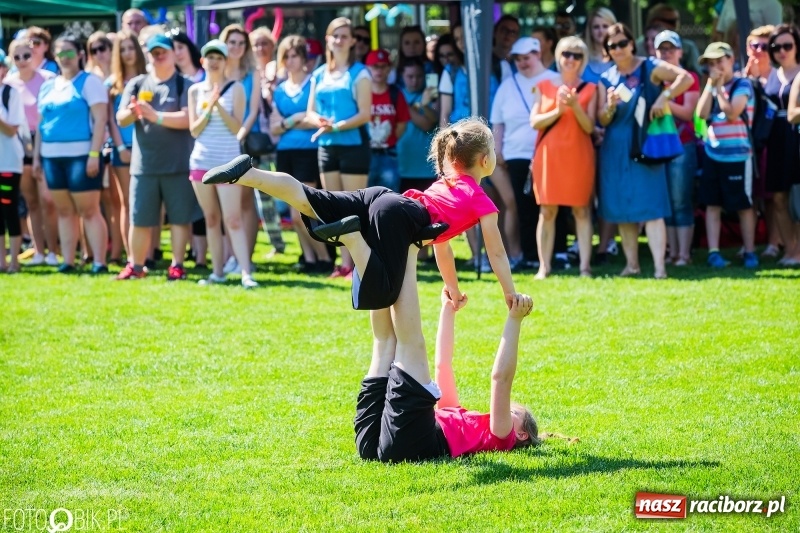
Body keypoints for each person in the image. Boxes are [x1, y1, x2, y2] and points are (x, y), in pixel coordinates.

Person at [203, 117, 517, 313]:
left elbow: (442, 248)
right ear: (485, 160)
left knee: (312, 199)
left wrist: (454, 289)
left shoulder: (444, 185)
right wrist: (510, 293)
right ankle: (351, 236)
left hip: (383, 197)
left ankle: (250, 174)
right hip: (398, 215)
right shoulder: (480, 200)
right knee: (383, 293)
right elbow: (497, 253)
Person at [355, 283, 538, 462]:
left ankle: (396, 272)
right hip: (382, 442)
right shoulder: (457, 416)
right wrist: (448, 310)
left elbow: (501, 380)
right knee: (385, 341)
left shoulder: (501, 437)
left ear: (521, 435)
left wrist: (515, 320)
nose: (502, 410)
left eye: (513, 412)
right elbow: (443, 365)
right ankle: (382, 275)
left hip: (413, 441)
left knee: (397, 344)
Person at [597, 23, 693, 278]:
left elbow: (686, 78)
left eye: (622, 43)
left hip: (644, 144)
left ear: (632, 44)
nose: (618, 49)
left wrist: (664, 96)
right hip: (615, 148)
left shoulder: (650, 66)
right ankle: (632, 265)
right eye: (612, 46)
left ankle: (660, 268)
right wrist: (609, 106)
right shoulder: (606, 78)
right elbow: (602, 119)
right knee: (622, 209)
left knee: (652, 206)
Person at [115, 34, 197, 281]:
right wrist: (133, 112)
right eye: (154, 52)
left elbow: (188, 119)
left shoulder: (184, 84)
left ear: (173, 53)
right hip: (144, 166)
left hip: (177, 164)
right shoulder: (137, 84)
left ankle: (177, 265)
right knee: (139, 218)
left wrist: (155, 116)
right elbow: (121, 119)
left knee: (179, 219)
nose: (159, 56)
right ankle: (136, 266)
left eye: (163, 51)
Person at [33, 35, 109, 274]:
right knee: (64, 211)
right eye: (60, 53)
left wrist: (94, 154)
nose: (65, 58)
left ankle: (99, 262)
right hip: (51, 158)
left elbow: (100, 120)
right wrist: (37, 157)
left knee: (89, 210)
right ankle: (68, 261)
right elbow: (41, 125)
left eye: (69, 52)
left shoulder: (90, 82)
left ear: (80, 55)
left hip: (82, 156)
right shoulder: (48, 86)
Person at [188, 40, 257, 289]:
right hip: (201, 162)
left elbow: (237, 128)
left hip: (228, 163)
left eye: (219, 57)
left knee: (234, 219)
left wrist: (217, 104)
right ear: (202, 61)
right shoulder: (195, 91)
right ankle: (217, 272)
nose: (214, 61)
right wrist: (209, 108)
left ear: (226, 61)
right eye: (210, 57)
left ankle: (246, 273)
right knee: (211, 219)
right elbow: (194, 130)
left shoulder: (236, 88)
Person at [307, 17, 372, 279]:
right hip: (326, 146)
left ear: (353, 41)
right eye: (335, 35)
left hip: (354, 146)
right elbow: (310, 112)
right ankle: (345, 265)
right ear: (328, 39)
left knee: (354, 208)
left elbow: (365, 114)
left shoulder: (360, 73)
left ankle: (359, 264)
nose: (340, 40)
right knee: (334, 208)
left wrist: (336, 126)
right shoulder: (318, 74)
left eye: (345, 36)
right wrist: (320, 122)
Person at [530, 36, 597, 278]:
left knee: (582, 210)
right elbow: (534, 121)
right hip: (549, 156)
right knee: (547, 211)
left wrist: (575, 106)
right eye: (566, 53)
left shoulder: (591, 88)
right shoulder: (543, 85)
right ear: (558, 56)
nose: (571, 59)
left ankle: (585, 267)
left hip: (579, 155)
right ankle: (544, 267)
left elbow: (590, 127)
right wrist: (558, 110)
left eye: (577, 55)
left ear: (583, 60)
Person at [491, 37, 559, 272]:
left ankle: (556, 253)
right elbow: (497, 122)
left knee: (551, 206)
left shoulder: (555, 80)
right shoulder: (507, 85)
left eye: (526, 58)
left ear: (538, 54)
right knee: (524, 207)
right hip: (516, 154)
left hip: (549, 152)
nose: (522, 63)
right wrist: (498, 150)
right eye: (518, 59)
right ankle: (530, 255)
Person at [269, 35, 331, 274]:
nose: (290, 60)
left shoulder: (313, 82)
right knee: (293, 213)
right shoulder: (279, 90)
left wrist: (289, 122)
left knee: (303, 211)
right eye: (286, 56)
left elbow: (314, 119)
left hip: (308, 152)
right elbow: (274, 127)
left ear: (304, 58)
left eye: (295, 55)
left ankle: (325, 258)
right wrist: (296, 119)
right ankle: (309, 259)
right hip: (285, 153)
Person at [696, 42, 759, 269]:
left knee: (743, 205)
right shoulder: (712, 85)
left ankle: (749, 251)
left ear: (731, 59)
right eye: (711, 64)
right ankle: (714, 253)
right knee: (712, 204)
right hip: (713, 154)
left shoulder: (742, 85)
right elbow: (701, 114)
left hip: (739, 156)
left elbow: (732, 113)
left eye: (719, 62)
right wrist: (710, 86)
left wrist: (720, 89)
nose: (715, 67)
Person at [4, 39, 59, 266]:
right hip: (18, 143)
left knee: (48, 200)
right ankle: (38, 251)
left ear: (35, 54)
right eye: (17, 57)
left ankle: (53, 251)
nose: (22, 61)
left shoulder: (48, 79)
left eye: (26, 55)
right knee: (31, 201)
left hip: (44, 141)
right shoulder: (8, 83)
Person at [221, 24, 263, 275]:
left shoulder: (252, 73)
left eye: (240, 43)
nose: (236, 47)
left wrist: (240, 134)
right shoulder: (218, 70)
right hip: (220, 143)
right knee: (227, 206)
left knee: (246, 202)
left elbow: (253, 110)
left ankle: (245, 257)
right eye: (231, 42)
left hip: (243, 143)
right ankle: (231, 257)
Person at [655, 31, 700, 266]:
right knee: (666, 202)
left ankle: (684, 254)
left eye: (670, 49)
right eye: (661, 49)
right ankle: (672, 253)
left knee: (681, 200)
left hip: (682, 145)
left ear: (680, 52)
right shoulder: (653, 79)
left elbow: (687, 113)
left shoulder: (690, 78)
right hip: (658, 147)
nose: (666, 53)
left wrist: (662, 99)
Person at [107, 29, 147, 265]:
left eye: (131, 48)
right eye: (122, 49)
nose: (128, 53)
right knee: (127, 202)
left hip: (148, 147)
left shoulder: (149, 78)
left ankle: (149, 254)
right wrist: (120, 147)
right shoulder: (112, 84)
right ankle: (132, 256)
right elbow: (110, 120)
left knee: (148, 203)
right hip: (122, 148)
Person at [764, 25, 800, 266]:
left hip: (797, 137)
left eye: (788, 45)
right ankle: (789, 250)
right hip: (775, 139)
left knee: (798, 196)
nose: (782, 51)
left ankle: (798, 252)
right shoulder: (771, 75)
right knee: (778, 197)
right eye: (776, 47)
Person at [365, 49, 410, 192]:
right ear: (367, 68)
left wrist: (389, 140)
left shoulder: (396, 93)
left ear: (389, 69)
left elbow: (402, 124)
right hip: (365, 153)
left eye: (383, 66)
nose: (379, 70)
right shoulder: (362, 94)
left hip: (389, 154)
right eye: (375, 66)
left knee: (389, 197)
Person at [0, 51, 25, 273]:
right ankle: (1, 261)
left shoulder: (11, 93)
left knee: (9, 208)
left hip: (8, 162)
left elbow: (11, 130)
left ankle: (14, 261)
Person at [583, 8, 617, 84]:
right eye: (596, 27)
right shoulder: (581, 56)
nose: (601, 31)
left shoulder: (621, 55)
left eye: (605, 26)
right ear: (590, 31)